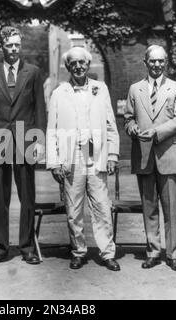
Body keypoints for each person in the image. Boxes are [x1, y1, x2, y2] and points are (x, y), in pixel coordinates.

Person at [46, 46, 120, 271]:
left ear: (88, 65)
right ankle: (78, 251)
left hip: (96, 156)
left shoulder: (101, 89)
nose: (78, 66)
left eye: (82, 63)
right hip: (71, 156)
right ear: (68, 67)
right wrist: (55, 162)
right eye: (73, 63)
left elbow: (110, 124)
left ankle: (107, 253)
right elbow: (52, 129)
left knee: (101, 206)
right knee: (74, 208)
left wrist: (113, 154)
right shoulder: (59, 92)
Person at [0, 26, 46, 265]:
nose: (14, 49)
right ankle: (1, 248)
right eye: (9, 45)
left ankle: (27, 247)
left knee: (27, 197)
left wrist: (39, 141)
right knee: (0, 197)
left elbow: (40, 110)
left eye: (17, 44)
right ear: (1, 48)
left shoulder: (34, 72)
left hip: (25, 140)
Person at [124, 45, 176, 271]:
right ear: (146, 63)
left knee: (171, 208)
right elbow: (128, 118)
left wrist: (156, 133)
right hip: (143, 156)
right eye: (153, 61)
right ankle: (153, 251)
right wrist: (132, 129)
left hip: (169, 154)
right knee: (149, 207)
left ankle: (173, 254)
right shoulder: (135, 89)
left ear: (166, 62)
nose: (157, 65)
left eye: (161, 61)